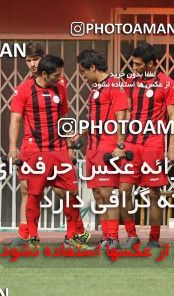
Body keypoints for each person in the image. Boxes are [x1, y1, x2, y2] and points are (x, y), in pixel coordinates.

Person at [8, 54, 88, 248]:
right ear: (44, 74)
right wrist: (12, 147)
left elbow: (63, 118)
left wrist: (69, 145)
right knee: (32, 192)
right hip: (34, 149)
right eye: (56, 75)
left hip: (59, 148)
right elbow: (16, 119)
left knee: (70, 192)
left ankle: (73, 236)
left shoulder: (60, 88)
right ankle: (30, 236)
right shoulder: (24, 90)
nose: (60, 78)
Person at [119, 42, 174, 248]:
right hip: (131, 145)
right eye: (133, 64)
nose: (134, 68)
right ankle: (131, 235)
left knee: (154, 194)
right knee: (123, 190)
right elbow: (125, 112)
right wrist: (120, 141)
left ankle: (154, 239)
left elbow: (173, 118)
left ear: (152, 63)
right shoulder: (129, 81)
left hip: (153, 145)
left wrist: (171, 147)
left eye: (138, 64)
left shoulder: (167, 83)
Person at [76, 49, 129, 249]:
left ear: (93, 67)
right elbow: (96, 119)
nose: (82, 76)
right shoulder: (97, 88)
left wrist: (120, 144)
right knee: (98, 194)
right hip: (92, 148)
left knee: (108, 195)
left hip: (108, 147)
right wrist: (80, 133)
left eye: (83, 72)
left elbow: (122, 117)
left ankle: (113, 239)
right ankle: (107, 237)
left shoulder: (115, 85)